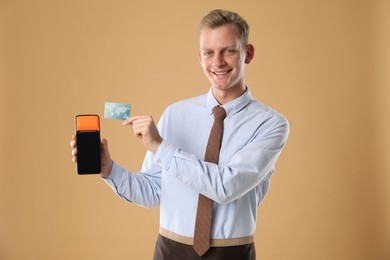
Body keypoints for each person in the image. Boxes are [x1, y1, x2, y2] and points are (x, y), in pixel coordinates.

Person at [71, 9, 289, 260]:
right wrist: (108, 168)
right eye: (209, 52)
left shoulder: (271, 124)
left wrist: (161, 148)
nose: (217, 62)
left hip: (232, 253)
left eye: (228, 50)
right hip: (169, 250)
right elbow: (152, 191)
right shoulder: (175, 114)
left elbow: (225, 186)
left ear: (247, 54)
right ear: (200, 57)